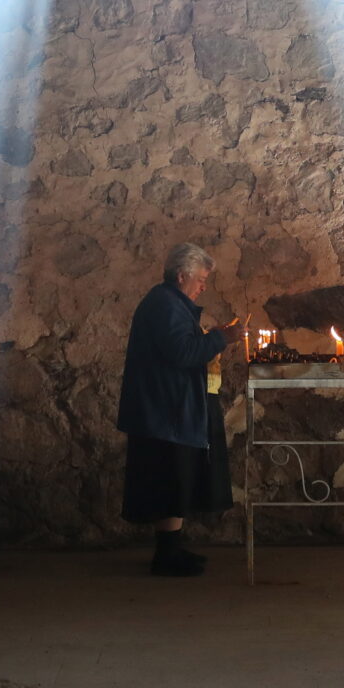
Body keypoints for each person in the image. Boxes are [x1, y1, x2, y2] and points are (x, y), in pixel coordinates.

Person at [117, 243, 244, 577]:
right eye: (201, 279)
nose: (203, 286)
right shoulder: (165, 305)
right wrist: (223, 338)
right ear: (182, 275)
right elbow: (182, 352)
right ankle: (166, 555)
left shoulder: (169, 303)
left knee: (176, 479)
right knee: (169, 480)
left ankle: (171, 549)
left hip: (168, 408)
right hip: (165, 410)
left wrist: (212, 335)